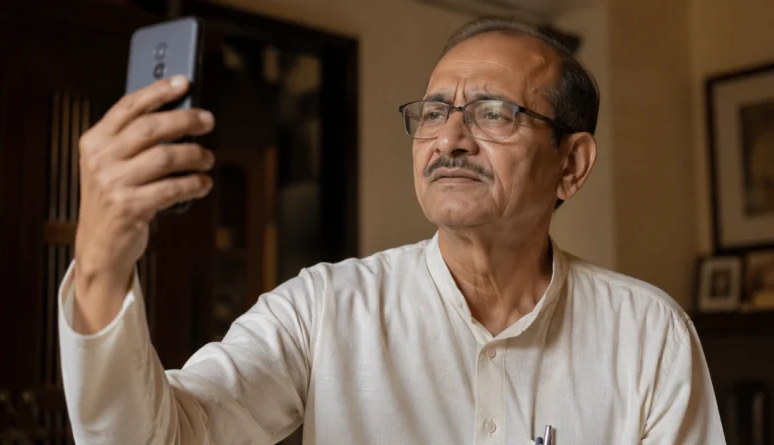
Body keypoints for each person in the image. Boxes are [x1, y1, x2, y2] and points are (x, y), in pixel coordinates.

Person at [58, 16, 726, 445]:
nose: (450, 138)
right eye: (435, 110)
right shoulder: (325, 307)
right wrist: (99, 264)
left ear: (571, 164)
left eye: (494, 112)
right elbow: (162, 438)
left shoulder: (647, 333)